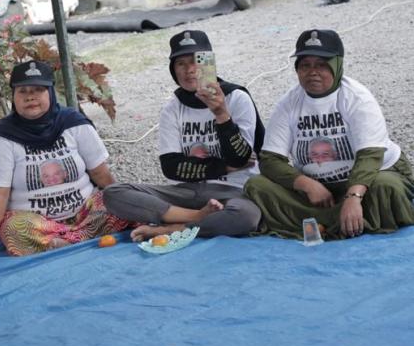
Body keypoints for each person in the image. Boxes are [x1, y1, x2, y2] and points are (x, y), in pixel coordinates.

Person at [244, 29, 414, 239]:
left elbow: (370, 156)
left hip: (369, 179)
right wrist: (307, 185)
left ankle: (322, 222)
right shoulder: (289, 103)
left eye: (321, 65)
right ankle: (349, 222)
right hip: (318, 191)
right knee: (256, 186)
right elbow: (270, 160)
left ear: (337, 65)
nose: (312, 72)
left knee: (387, 188)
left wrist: (353, 196)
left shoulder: (357, 98)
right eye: (305, 65)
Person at [103, 30, 263, 241]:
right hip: (188, 193)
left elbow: (240, 159)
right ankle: (197, 217)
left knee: (246, 217)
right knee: (113, 193)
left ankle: (173, 228)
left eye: (196, 61)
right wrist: (223, 167)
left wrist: (222, 115)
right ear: (173, 70)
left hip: (233, 191)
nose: (189, 70)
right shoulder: (173, 107)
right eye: (181, 64)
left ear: (209, 64)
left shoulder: (236, 98)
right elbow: (171, 167)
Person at [0, 60, 129, 257]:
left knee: (117, 204)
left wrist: (123, 201)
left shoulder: (74, 124)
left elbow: (100, 174)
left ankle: (60, 243)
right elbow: (0, 195)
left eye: (38, 89)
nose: (30, 97)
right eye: (23, 91)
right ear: (13, 97)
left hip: (85, 214)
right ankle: (81, 239)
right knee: (13, 230)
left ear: (51, 93)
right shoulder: (3, 138)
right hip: (36, 223)